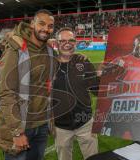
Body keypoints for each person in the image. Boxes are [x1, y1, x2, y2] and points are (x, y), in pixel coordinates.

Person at [0, 9, 57, 160]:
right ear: (32, 24)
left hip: (41, 126)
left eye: (50, 26)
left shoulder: (49, 50)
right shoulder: (15, 49)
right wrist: (17, 132)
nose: (46, 29)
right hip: (21, 127)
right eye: (41, 23)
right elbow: (6, 93)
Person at [52, 27, 100, 160]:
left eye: (71, 40)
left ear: (75, 43)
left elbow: (96, 89)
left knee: (93, 157)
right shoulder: (49, 65)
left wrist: (103, 77)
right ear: (56, 43)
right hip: (60, 125)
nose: (67, 43)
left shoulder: (83, 61)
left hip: (85, 122)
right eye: (63, 41)